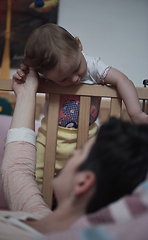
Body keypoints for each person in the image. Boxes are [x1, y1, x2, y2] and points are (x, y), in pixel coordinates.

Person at [0, 68, 147, 239]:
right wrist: (26, 92)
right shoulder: (38, 216)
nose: (76, 151)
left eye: (82, 152)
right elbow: (16, 170)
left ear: (83, 182)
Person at [13, 23, 148, 192]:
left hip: (87, 140)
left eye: (77, 68)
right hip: (49, 138)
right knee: (36, 175)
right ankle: (39, 208)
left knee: (90, 179)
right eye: (63, 80)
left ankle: (80, 211)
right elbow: (29, 76)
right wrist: (25, 72)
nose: (75, 79)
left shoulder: (93, 67)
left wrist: (135, 113)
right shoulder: (45, 72)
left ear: (79, 45)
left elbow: (122, 80)